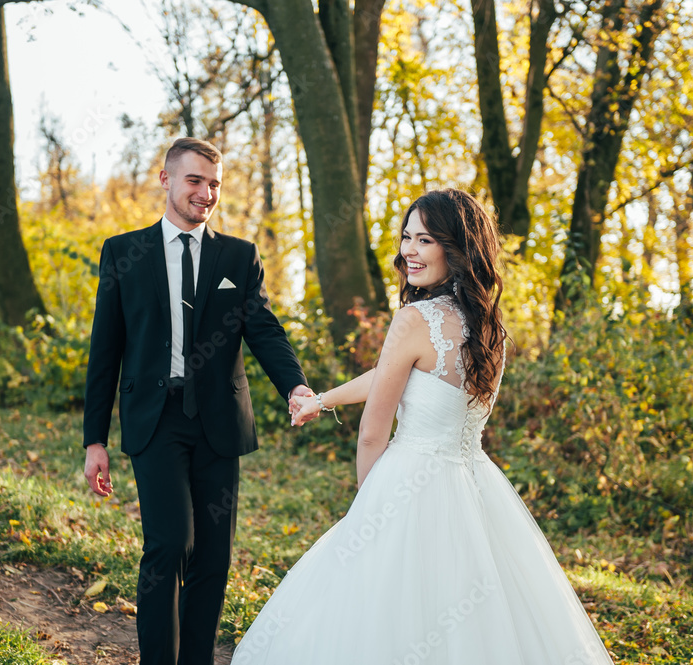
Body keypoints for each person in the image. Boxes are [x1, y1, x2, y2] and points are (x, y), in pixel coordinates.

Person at [237, 189, 614, 664]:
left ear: (455, 248)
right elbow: (401, 375)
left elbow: (373, 431)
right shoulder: (490, 327)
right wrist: (323, 399)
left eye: (425, 240)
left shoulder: (413, 319)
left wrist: (367, 517)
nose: (408, 252)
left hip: (405, 484)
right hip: (473, 482)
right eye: (406, 238)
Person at [82, 137, 312, 665]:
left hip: (219, 424)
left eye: (213, 184)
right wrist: (95, 438)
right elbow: (105, 350)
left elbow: (265, 331)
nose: (205, 193)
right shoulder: (124, 253)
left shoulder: (238, 255)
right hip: (155, 421)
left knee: (213, 557)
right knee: (169, 546)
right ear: (166, 180)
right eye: (195, 181)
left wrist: (294, 386)